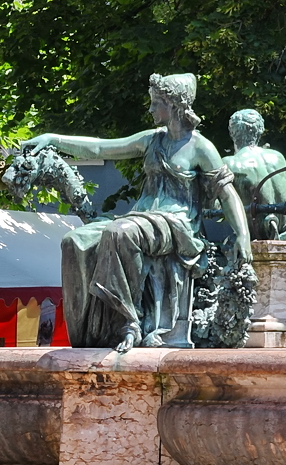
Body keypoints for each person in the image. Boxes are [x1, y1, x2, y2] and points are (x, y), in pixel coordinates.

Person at [26, 73, 251, 352]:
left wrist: (243, 234)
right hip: (141, 218)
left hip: (176, 225)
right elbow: (99, 146)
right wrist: (53, 139)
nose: (151, 109)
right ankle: (88, 335)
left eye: (156, 103)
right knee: (75, 241)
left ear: (174, 105)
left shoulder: (201, 148)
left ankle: (131, 321)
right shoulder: (151, 140)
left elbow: (227, 193)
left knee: (119, 232)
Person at [223, 109, 286, 242]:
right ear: (260, 131)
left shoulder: (230, 163)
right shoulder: (277, 157)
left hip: (256, 233)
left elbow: (214, 206)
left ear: (232, 132)